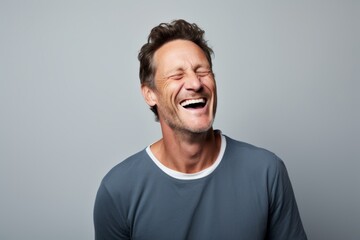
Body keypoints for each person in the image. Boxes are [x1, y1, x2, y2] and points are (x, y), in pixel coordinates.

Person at [94, 19, 307, 240]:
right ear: (150, 94)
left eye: (203, 71)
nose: (195, 84)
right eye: (177, 75)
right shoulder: (118, 189)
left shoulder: (267, 172)